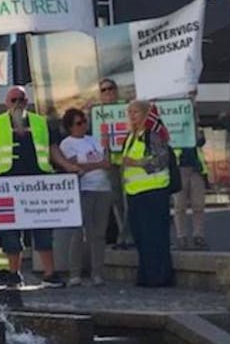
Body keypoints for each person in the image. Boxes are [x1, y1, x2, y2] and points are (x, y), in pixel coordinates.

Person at [0, 86, 81, 288]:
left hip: (38, 184)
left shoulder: (41, 123)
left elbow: (53, 149)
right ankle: (14, 273)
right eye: (13, 100)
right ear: (6, 102)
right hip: (8, 183)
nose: (17, 104)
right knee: (11, 231)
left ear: (27, 101)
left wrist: (68, 166)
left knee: (43, 229)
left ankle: (50, 273)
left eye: (21, 99)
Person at [122, 100, 174, 287]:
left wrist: (136, 163)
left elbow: (161, 159)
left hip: (154, 191)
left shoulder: (153, 134)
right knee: (141, 238)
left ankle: (159, 276)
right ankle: (146, 275)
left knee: (154, 237)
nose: (132, 115)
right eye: (129, 112)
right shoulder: (132, 136)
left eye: (135, 112)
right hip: (135, 193)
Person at [60, 108, 112, 287]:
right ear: (70, 126)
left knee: (98, 233)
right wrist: (98, 164)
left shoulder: (94, 140)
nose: (83, 126)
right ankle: (75, 273)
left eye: (84, 122)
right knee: (78, 232)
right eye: (78, 123)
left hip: (103, 188)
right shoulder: (67, 143)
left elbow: (107, 162)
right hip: (83, 189)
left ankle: (97, 272)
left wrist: (95, 163)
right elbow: (75, 165)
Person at [96, 78, 133, 249]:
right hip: (109, 163)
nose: (108, 92)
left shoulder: (126, 109)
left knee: (128, 200)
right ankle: (122, 234)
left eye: (111, 88)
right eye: (103, 90)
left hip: (127, 161)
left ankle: (128, 236)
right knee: (116, 201)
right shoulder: (96, 113)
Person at [174, 113, 208, 250]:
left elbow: (201, 140)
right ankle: (181, 236)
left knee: (198, 205)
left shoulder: (196, 132)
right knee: (179, 206)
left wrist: (195, 127)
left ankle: (198, 235)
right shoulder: (175, 129)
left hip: (196, 171)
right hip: (180, 169)